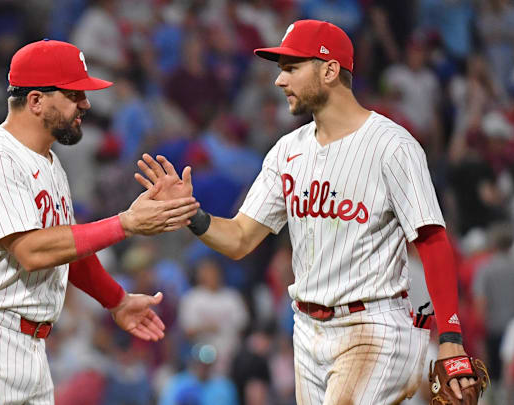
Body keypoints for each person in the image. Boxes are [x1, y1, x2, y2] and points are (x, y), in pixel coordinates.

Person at [136, 20, 478, 403]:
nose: (280, 81)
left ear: (330, 70)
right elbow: (240, 238)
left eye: (292, 68)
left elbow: (432, 242)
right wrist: (192, 215)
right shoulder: (287, 151)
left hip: (374, 325)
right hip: (307, 331)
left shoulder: (392, 145)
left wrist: (450, 338)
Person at [0, 39, 200, 404]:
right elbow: (32, 251)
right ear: (35, 100)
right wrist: (125, 223)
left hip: (28, 347)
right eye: (73, 95)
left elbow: (67, 249)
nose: (85, 104)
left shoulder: (50, 165)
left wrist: (116, 300)